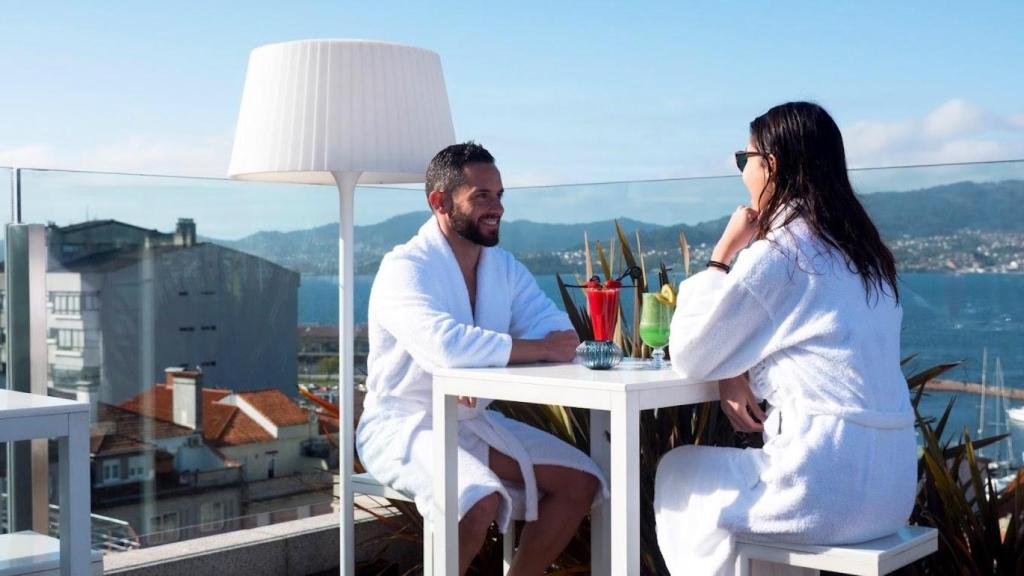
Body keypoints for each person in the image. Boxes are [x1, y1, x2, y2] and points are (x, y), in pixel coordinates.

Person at [654, 102, 916, 575]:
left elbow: (692, 354)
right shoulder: (866, 256)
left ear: (769, 166)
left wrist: (720, 256)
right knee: (739, 490)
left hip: (828, 486)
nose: (743, 173)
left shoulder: (783, 252)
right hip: (892, 487)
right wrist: (734, 370)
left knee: (678, 471)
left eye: (744, 159)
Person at [356, 142, 607, 576]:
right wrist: (534, 350)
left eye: (500, 195)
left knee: (580, 481)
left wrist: (514, 353)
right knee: (477, 499)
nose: (497, 208)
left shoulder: (501, 266)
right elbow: (445, 346)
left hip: (471, 424)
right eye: (482, 196)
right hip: (404, 426)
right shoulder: (404, 268)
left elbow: (556, 330)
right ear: (439, 201)